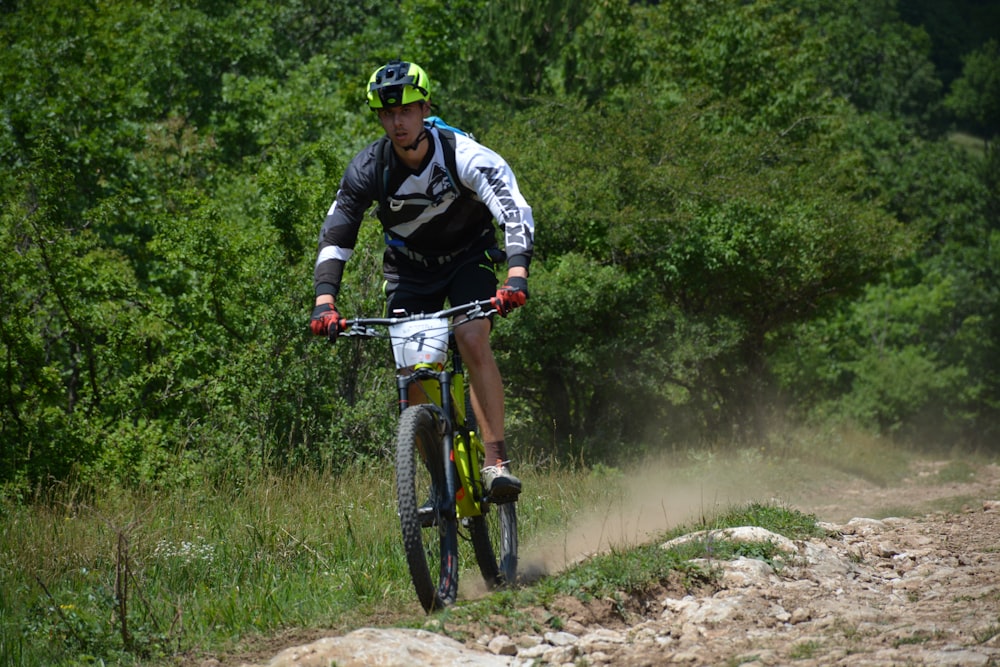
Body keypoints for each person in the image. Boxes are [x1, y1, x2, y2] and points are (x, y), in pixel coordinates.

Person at [309, 59, 534, 501]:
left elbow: (513, 208)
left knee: (471, 337)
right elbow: (337, 232)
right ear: (379, 117)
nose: (397, 122)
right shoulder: (368, 168)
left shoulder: (461, 153)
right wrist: (324, 301)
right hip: (410, 270)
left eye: (407, 110)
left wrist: (515, 275)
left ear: (425, 107)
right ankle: (439, 479)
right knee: (411, 374)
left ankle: (494, 461)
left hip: (467, 259)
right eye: (388, 113)